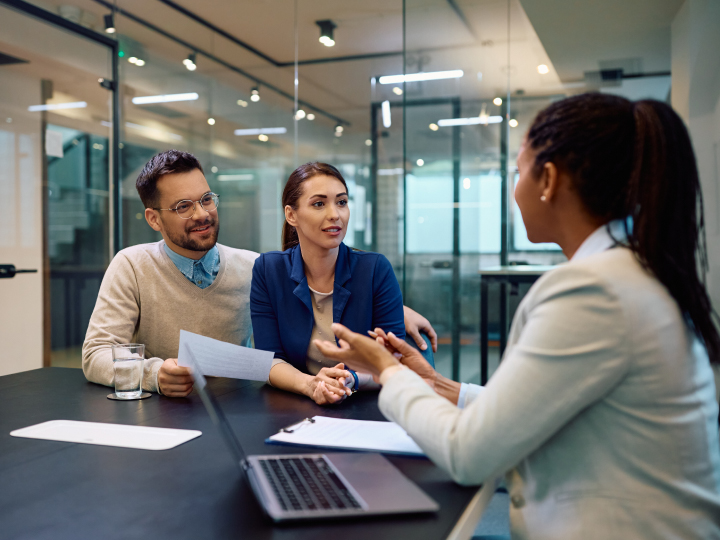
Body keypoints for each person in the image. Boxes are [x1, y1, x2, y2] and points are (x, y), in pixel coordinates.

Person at [315, 94, 720, 539]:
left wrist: (387, 370)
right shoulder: (626, 272)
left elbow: (467, 454)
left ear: (547, 178)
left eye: (518, 169)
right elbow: (538, 403)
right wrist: (437, 385)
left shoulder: (593, 290)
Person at [83, 150, 436, 398]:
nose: (202, 213)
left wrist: (396, 309)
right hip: (164, 412)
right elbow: (96, 354)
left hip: (241, 407)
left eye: (206, 199)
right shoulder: (131, 265)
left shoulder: (252, 267)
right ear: (154, 219)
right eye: (183, 206)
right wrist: (153, 375)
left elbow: (314, 282)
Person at [251, 162, 408, 405]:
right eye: (319, 204)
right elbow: (269, 360)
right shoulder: (268, 269)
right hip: (296, 406)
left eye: (342, 202)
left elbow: (394, 360)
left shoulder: (375, 269)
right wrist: (311, 385)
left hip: (366, 407)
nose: (335, 214)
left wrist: (349, 380)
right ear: (291, 215)